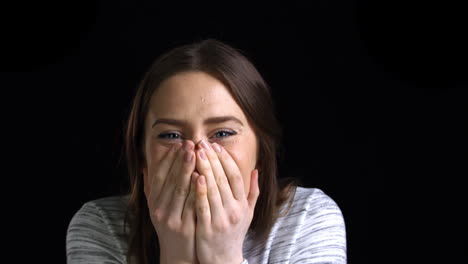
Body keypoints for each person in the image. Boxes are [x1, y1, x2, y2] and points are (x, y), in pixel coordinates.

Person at [66, 38, 347, 264]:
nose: (198, 155)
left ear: (261, 149)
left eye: (222, 133)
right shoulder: (101, 226)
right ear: (143, 153)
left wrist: (223, 256)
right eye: (171, 135)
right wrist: (177, 256)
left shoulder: (307, 219)